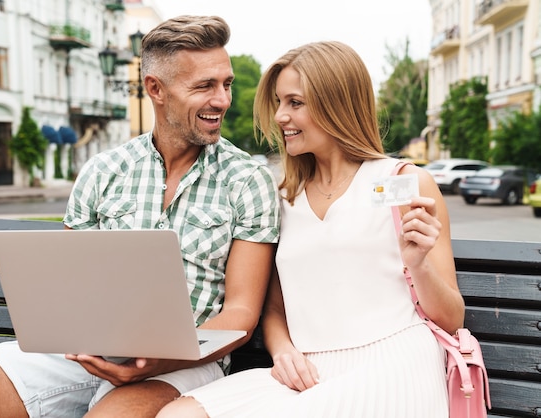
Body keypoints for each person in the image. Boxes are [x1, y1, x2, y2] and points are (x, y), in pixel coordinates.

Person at [0, 15, 280, 418]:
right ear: (155, 89)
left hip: (188, 364)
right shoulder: (102, 170)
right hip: (81, 354)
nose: (222, 100)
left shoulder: (247, 180)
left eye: (225, 84)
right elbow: (70, 290)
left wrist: (160, 361)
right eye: (204, 86)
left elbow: (241, 316)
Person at [157, 40, 465, 417]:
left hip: (393, 361)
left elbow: (451, 318)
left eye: (295, 103)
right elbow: (273, 309)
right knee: (178, 414)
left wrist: (419, 265)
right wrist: (283, 351)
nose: (281, 117)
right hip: (308, 371)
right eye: (280, 103)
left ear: (337, 104)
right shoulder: (283, 197)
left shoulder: (403, 182)